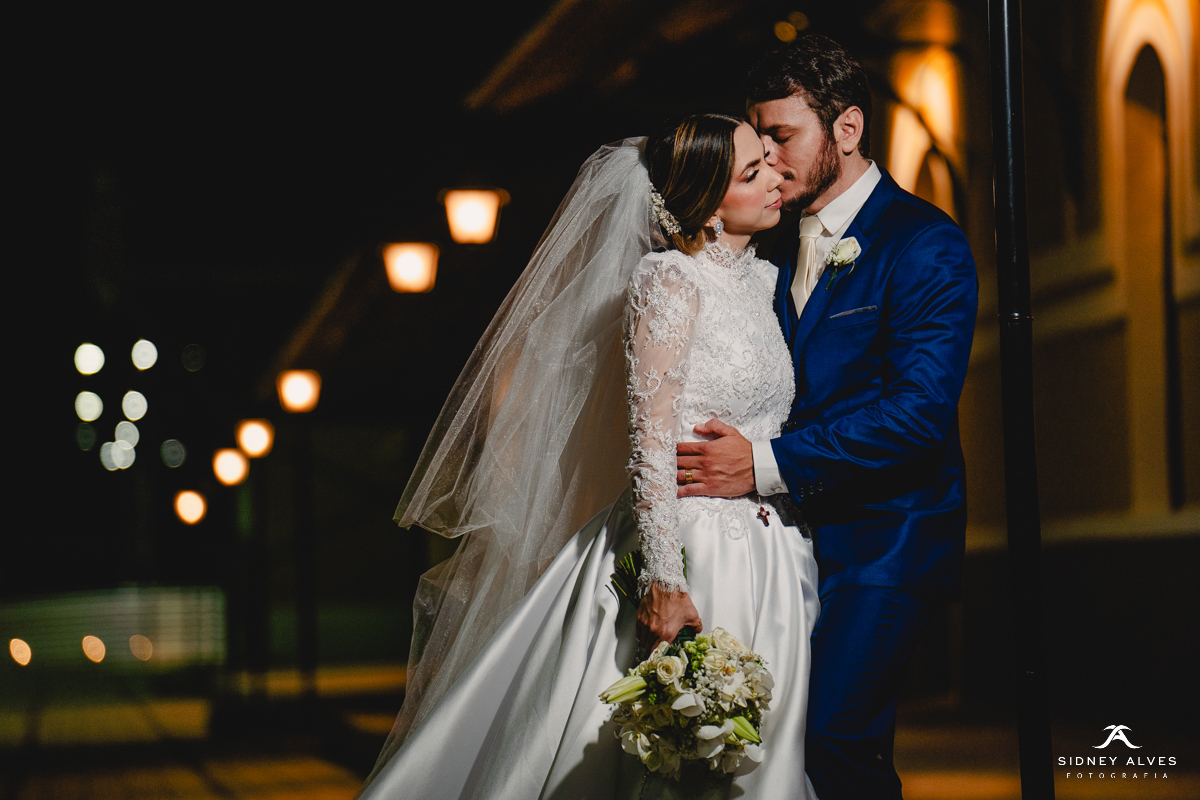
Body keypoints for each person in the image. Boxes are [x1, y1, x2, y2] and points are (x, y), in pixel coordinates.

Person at [357, 115, 821, 799]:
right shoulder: (669, 281)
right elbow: (650, 439)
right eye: (752, 173)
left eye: (768, 163)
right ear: (706, 205)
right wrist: (664, 578)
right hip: (693, 550)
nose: (777, 177)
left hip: (770, 555)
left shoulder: (759, 282)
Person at [675, 35, 978, 800]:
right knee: (773, 741)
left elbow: (917, 415)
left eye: (782, 135)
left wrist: (761, 463)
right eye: (759, 138)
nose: (767, 157)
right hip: (789, 550)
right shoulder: (769, 251)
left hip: (887, 541)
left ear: (846, 128)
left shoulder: (924, 244)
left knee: (835, 736)